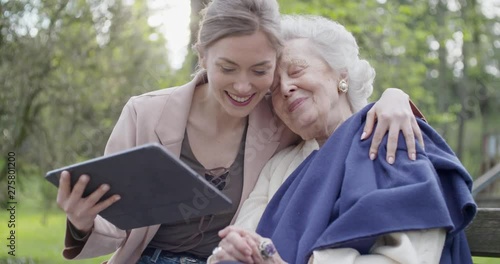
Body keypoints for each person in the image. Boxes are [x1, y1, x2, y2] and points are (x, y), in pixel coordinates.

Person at [56, 1, 426, 264]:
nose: (245, 86)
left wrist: (394, 97)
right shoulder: (146, 113)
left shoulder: (279, 118)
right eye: (228, 68)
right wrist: (82, 221)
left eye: (262, 70)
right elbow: (118, 221)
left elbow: (338, 116)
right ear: (202, 57)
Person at [209, 15, 476, 264]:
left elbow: (411, 257)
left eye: (297, 70)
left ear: (341, 75)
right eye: (274, 89)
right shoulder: (279, 165)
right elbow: (239, 240)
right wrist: (231, 250)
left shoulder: (391, 136)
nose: (286, 88)